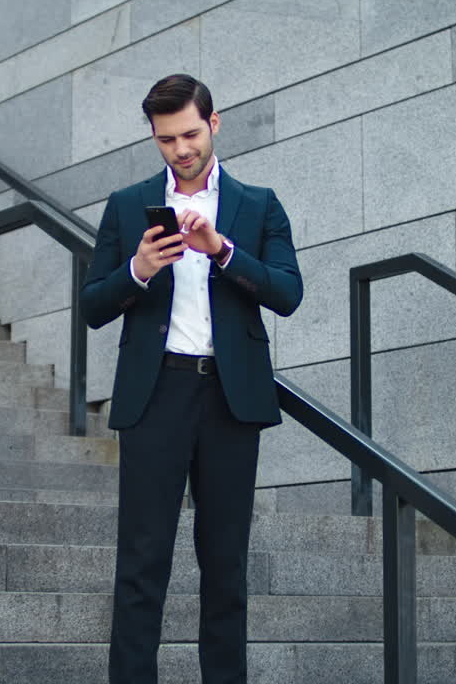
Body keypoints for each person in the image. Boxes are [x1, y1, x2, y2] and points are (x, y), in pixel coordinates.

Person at [80, 74, 304, 684]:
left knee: (226, 566)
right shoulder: (128, 206)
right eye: (165, 139)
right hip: (157, 395)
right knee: (142, 564)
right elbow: (93, 305)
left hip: (231, 399)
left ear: (214, 123)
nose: (180, 149)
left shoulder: (258, 205)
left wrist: (224, 251)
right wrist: (139, 269)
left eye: (189, 133)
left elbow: (288, 293)